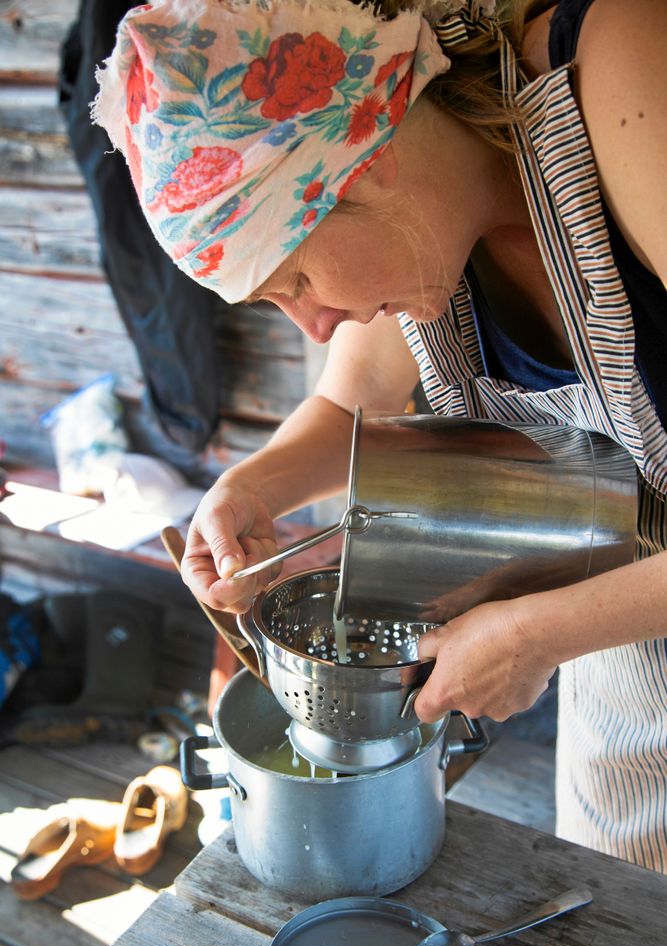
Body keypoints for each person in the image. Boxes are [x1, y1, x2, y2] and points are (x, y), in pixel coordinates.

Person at [93, 0, 667, 872]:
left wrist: (534, 635)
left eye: (295, 279)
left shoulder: (624, 66)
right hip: (617, 638)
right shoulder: (419, 238)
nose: (314, 326)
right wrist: (255, 487)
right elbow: (349, 403)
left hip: (578, 619)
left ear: (369, 164)